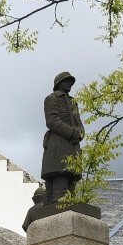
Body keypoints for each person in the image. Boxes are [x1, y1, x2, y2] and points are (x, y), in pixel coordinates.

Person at [41, 71, 84, 206]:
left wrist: (81, 134)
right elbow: (52, 121)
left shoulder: (73, 102)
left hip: (73, 146)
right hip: (58, 145)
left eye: (71, 81)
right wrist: (71, 133)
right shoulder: (51, 99)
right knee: (59, 179)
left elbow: (79, 122)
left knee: (71, 181)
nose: (70, 83)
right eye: (67, 81)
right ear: (59, 83)